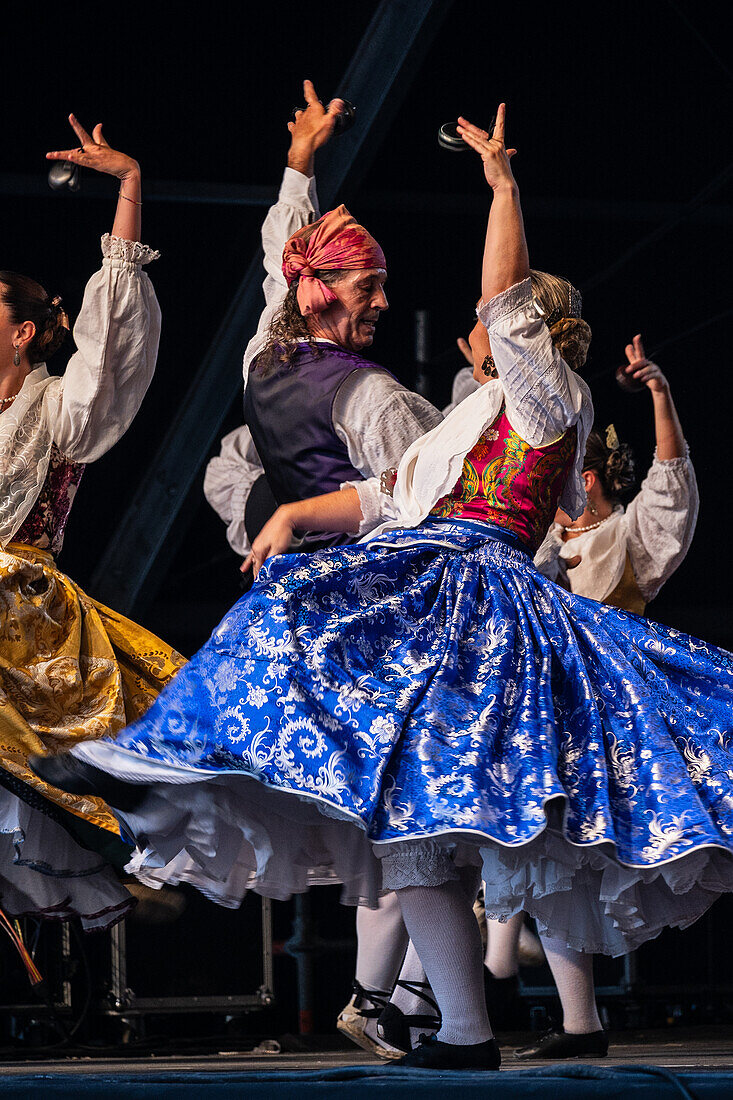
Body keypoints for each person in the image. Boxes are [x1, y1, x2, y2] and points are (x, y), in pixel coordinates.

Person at [34, 105, 733, 1073]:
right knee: (401, 809)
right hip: (439, 577)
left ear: (537, 328)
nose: (478, 330)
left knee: (383, 749)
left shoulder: (546, 395)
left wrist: (501, 187)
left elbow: (500, 304)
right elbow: (383, 493)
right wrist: (293, 517)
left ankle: (158, 770)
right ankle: (458, 1028)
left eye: (508, 321)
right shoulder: (476, 409)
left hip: (477, 601)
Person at [204, 80, 444, 1057]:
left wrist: (301, 166)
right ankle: (390, 998)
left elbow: (282, 264)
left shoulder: (267, 358)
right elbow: (425, 499)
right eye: (368, 287)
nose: (383, 301)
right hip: (384, 617)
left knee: (415, 817)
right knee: (425, 813)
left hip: (322, 620)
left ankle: (408, 1000)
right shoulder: (373, 394)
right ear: (327, 293)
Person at [0, 114, 184, 931]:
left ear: (23, 333)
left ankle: (100, 879)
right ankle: (82, 886)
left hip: (22, 607)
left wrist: (130, 186)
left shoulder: (53, 407)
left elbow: (110, 347)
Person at [498, 341, 698, 1060]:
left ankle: (487, 980)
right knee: (542, 860)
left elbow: (671, 484)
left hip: (614, 720)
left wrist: (657, 394)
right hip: (548, 719)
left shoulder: (628, 539)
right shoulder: (529, 547)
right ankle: (577, 1023)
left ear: (580, 476)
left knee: (576, 856)